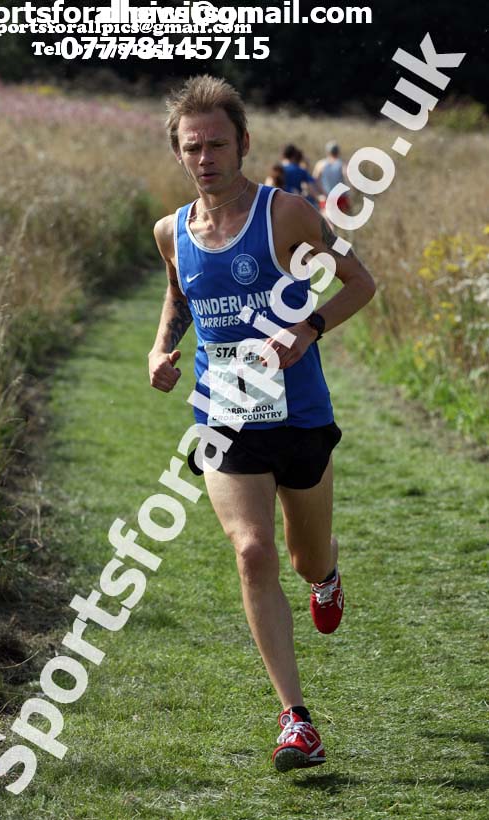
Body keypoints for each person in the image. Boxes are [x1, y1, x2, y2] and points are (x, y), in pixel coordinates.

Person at [148, 75, 376, 772]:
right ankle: (295, 720)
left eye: (219, 143)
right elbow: (178, 296)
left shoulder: (287, 216)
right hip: (223, 420)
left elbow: (359, 283)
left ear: (243, 144)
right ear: (179, 154)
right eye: (193, 146)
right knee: (251, 551)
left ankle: (326, 573)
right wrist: (161, 348)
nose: (207, 156)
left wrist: (307, 327)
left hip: (300, 416)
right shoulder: (170, 232)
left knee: (303, 557)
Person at [313, 140, 350, 214]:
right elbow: (348, 179)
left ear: (327, 151)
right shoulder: (342, 164)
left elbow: (314, 180)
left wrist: (320, 194)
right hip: (341, 198)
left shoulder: (320, 164)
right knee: (343, 222)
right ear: (338, 151)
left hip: (327, 197)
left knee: (326, 222)